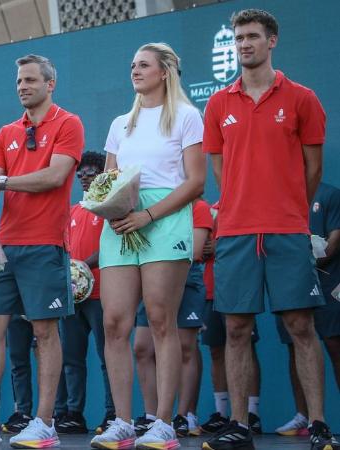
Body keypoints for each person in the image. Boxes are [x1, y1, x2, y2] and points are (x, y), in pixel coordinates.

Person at [202, 8, 339, 450]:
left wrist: (284, 207)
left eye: (252, 36)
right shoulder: (219, 103)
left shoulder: (302, 98)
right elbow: (222, 171)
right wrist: (246, 203)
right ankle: (240, 425)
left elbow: (312, 169)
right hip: (238, 233)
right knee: (237, 328)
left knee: (300, 325)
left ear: (271, 41)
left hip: (286, 230)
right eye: (239, 37)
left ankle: (318, 424)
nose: (244, 43)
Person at [0, 54, 83, 449]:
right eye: (19, 81)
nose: (22, 86)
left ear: (49, 83)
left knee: (44, 331)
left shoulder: (69, 123)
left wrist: (1, 184)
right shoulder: (6, 132)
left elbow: (55, 176)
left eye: (29, 80)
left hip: (44, 244)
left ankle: (45, 423)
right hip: (3, 248)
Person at [90, 42, 205, 450]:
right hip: (121, 222)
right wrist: (111, 206)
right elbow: (108, 180)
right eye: (132, 65)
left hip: (164, 218)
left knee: (160, 320)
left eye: (143, 65)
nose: (135, 71)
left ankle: (163, 423)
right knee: (114, 323)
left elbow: (196, 182)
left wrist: (149, 216)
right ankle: (122, 422)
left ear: (165, 72)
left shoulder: (188, 117)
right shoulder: (121, 123)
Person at [131, 198, 212, 437]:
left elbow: (196, 250)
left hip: (185, 278)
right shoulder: (152, 207)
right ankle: (152, 415)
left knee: (186, 347)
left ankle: (183, 415)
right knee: (142, 348)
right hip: (152, 277)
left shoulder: (198, 207)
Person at [53, 151, 115, 435]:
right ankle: (73, 414)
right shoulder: (74, 210)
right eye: (80, 174)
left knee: (108, 357)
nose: (84, 178)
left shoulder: (111, 207)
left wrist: (82, 266)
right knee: (71, 358)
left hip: (102, 294)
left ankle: (113, 415)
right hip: (72, 296)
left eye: (90, 172)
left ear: (102, 173)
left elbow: (110, 248)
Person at [273, 182, 340, 437]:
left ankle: (317, 420)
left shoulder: (329, 194)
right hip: (291, 279)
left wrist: (309, 258)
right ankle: (303, 415)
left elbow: (335, 240)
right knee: (294, 344)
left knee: (335, 344)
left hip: (329, 281)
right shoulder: (280, 193)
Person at [199, 203, 263, 436]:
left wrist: (218, 245)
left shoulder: (242, 207)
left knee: (245, 345)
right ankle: (222, 413)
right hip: (209, 289)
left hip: (237, 286)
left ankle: (252, 413)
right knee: (216, 349)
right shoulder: (207, 209)